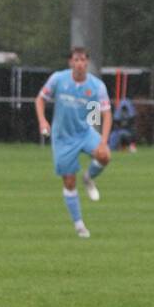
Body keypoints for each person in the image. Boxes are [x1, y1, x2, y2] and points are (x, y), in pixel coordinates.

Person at [35, 48, 112, 238]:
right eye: (76, 60)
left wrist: (103, 140)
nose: (79, 63)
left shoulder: (97, 86)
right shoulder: (58, 79)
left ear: (87, 63)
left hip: (85, 132)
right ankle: (79, 225)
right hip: (62, 137)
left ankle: (88, 178)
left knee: (104, 155)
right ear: (71, 62)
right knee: (69, 181)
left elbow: (106, 114)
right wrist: (43, 121)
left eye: (83, 60)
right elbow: (40, 99)